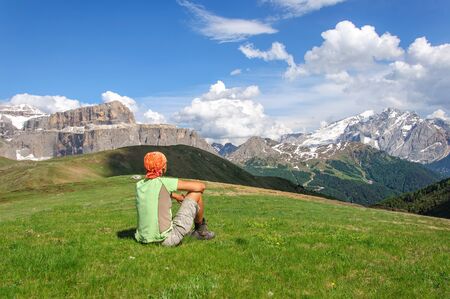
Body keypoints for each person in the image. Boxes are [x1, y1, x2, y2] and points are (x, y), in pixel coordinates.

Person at [134, 151, 215, 246]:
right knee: (196, 193)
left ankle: (199, 231)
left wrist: (175, 196)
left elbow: (154, 192)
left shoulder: (139, 185)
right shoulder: (164, 182)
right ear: (163, 167)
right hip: (166, 240)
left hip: (143, 238)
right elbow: (201, 186)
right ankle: (200, 231)